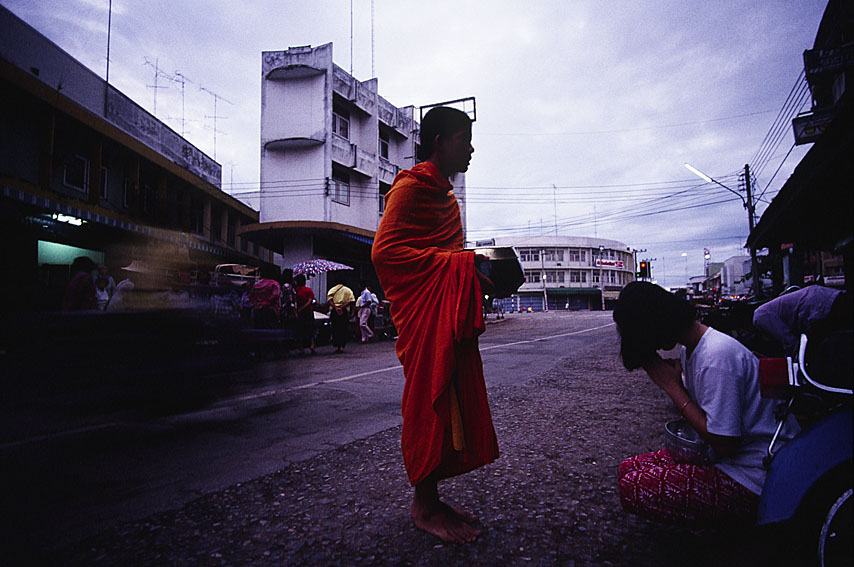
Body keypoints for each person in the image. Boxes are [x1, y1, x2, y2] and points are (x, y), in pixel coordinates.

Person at [371, 106, 498, 543]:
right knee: (428, 399)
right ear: (440, 142)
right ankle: (422, 506)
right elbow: (385, 254)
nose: (471, 148)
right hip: (424, 318)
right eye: (465, 139)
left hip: (445, 315)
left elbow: (449, 256)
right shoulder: (411, 189)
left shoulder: (446, 198)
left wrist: (471, 271)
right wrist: (460, 266)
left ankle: (432, 497)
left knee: (450, 401)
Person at [612, 281, 800, 526]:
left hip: (755, 475)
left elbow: (724, 443)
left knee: (633, 486)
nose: (656, 348)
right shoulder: (693, 350)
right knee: (628, 468)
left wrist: (672, 388)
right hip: (728, 460)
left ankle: (728, 528)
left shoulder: (715, 357)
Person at [752, 285, 847, 354]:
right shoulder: (766, 311)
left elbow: (790, 342)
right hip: (820, 297)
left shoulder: (759, 317)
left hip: (815, 305)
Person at [326, 278, 355, 353]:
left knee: (335, 328)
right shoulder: (347, 290)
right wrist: (341, 307)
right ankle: (342, 346)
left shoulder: (332, 289)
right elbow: (351, 300)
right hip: (344, 310)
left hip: (334, 310)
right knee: (343, 328)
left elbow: (329, 299)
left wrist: (336, 307)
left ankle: (338, 346)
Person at [294, 274, 316, 355]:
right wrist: (303, 308)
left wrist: (299, 309)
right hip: (308, 312)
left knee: (300, 330)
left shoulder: (295, 290)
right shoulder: (308, 290)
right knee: (311, 329)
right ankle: (312, 345)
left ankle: (301, 348)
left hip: (299, 312)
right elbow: (310, 301)